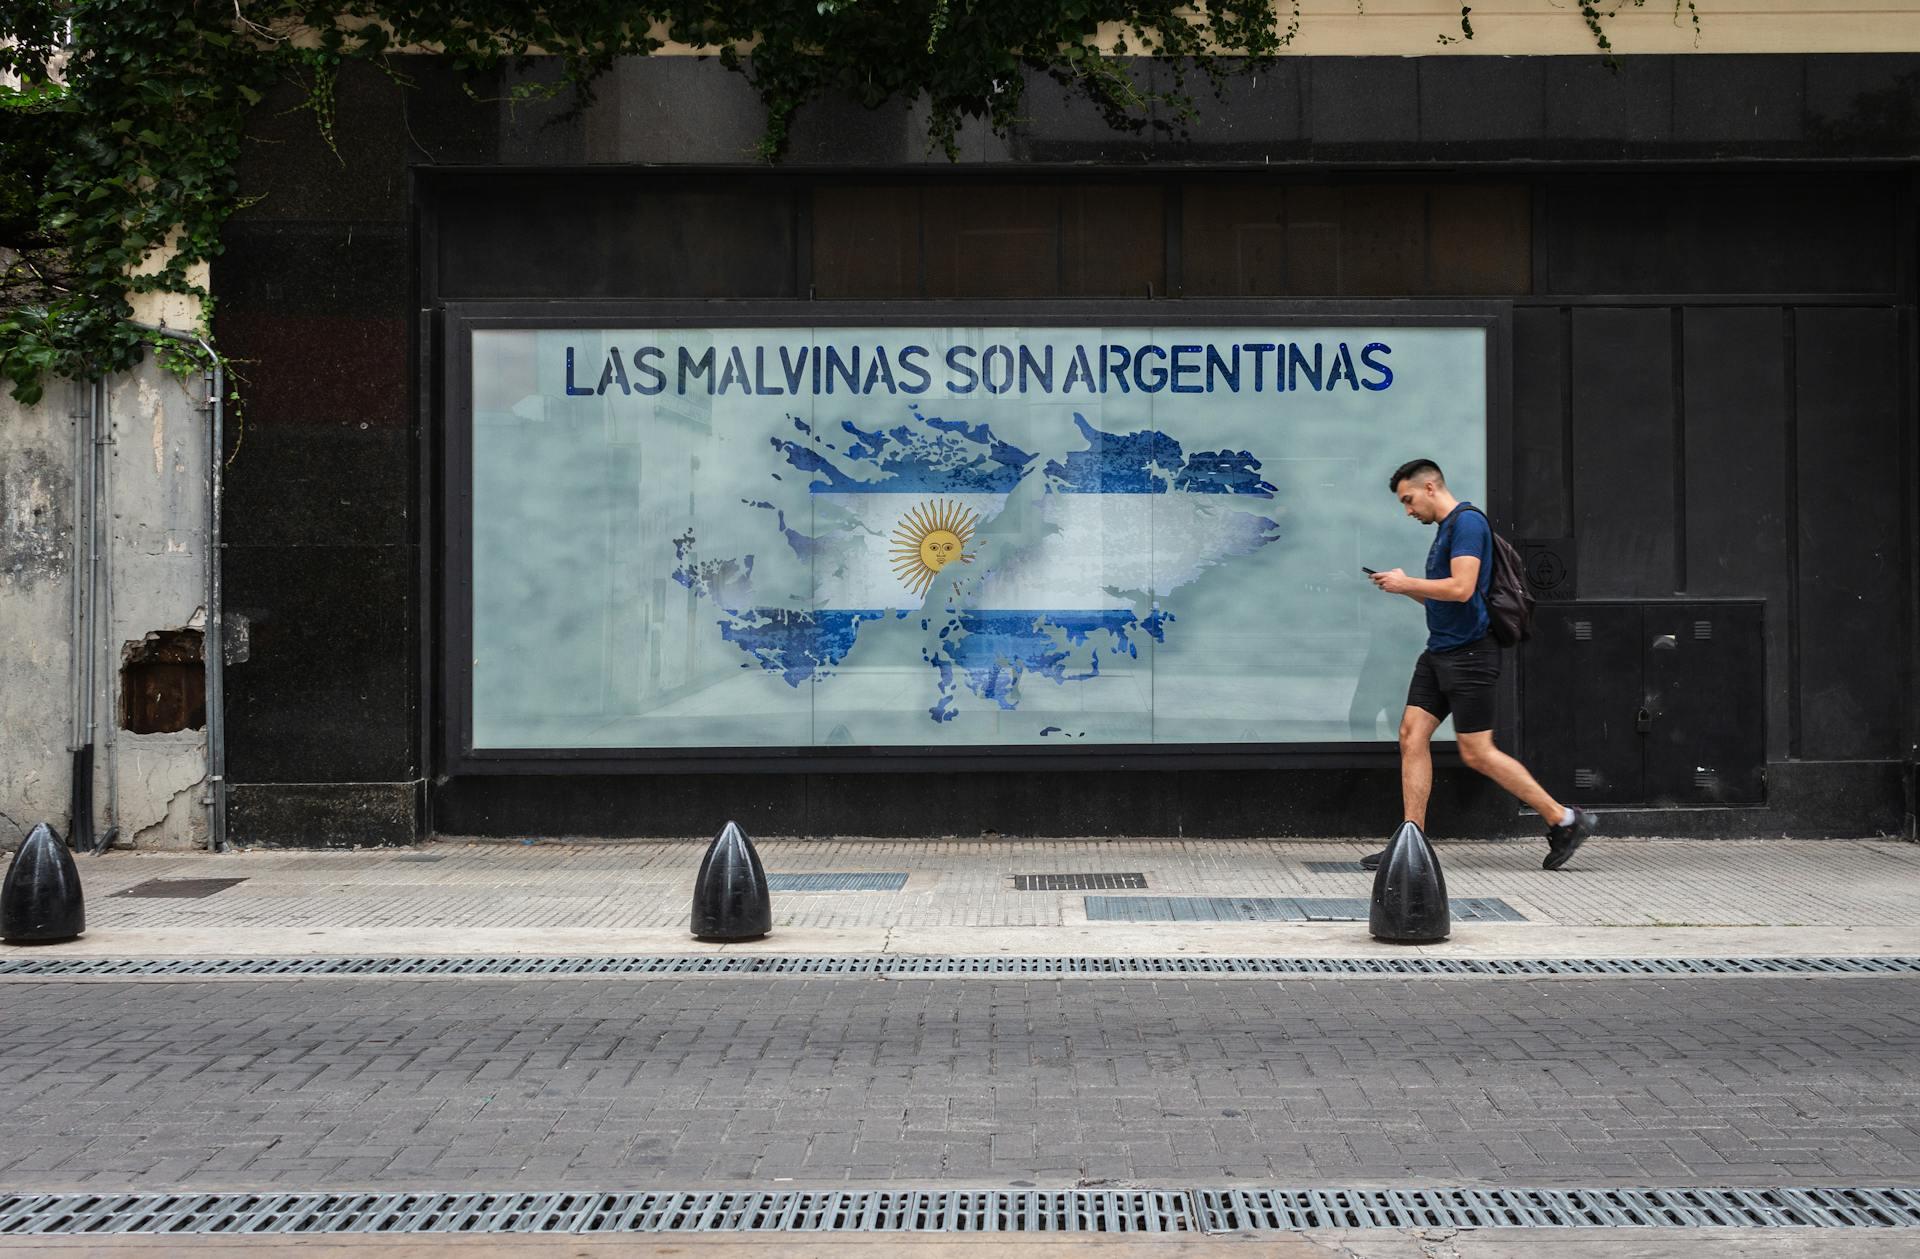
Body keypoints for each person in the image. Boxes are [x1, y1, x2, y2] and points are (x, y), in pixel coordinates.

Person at [1363, 459, 1595, 871]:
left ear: (1431, 487)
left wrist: (1408, 583)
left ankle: (1565, 818)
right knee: (1411, 735)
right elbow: (1451, 598)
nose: (1408, 510)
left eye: (1409, 500)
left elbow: (1461, 587)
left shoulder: (1467, 524)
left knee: (1477, 752)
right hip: (1440, 652)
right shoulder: (1445, 532)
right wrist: (1405, 589)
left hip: (1470, 654)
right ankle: (1411, 840)